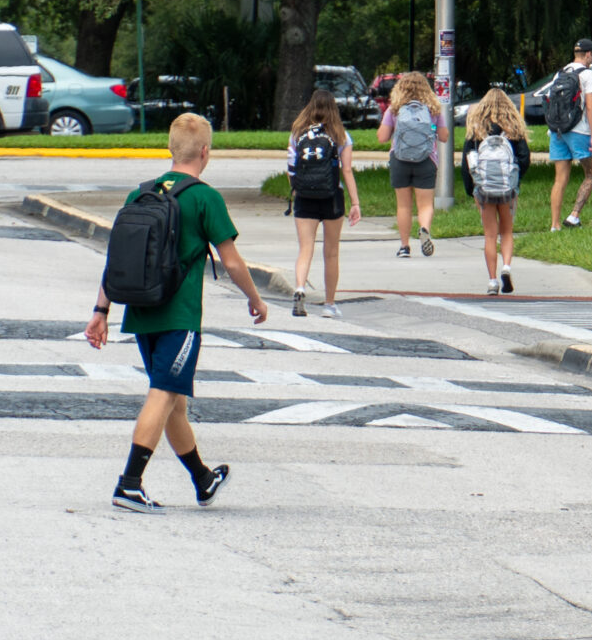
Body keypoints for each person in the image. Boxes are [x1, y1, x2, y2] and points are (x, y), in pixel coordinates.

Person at [86, 113, 267, 512]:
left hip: (141, 312)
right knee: (164, 393)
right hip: (179, 317)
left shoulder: (141, 194)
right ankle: (129, 484)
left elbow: (119, 258)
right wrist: (255, 298)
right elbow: (232, 263)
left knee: (175, 403)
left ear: (170, 149)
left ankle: (203, 479)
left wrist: (101, 310)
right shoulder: (205, 197)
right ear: (206, 152)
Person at [285, 89, 362, 319]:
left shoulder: (297, 133)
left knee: (305, 249)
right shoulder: (340, 135)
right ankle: (329, 304)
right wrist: (355, 203)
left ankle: (300, 288)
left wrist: (297, 189)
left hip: (304, 198)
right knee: (331, 253)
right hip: (331, 198)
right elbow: (346, 171)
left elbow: (291, 168)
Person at [462, 88, 531, 295]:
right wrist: (515, 181)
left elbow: (467, 163)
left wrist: (470, 189)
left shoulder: (476, 129)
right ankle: (507, 267)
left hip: (483, 189)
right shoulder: (514, 128)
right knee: (507, 231)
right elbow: (525, 158)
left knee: (490, 235)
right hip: (507, 188)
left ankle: (492, 281)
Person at [376, 71, 449, 259]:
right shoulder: (433, 109)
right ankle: (424, 228)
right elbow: (444, 137)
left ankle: (404, 247)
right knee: (425, 205)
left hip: (400, 160)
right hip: (426, 160)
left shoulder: (394, 109)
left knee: (403, 206)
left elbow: (382, 138)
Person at [545, 38, 592, 230]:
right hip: (579, 130)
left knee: (560, 179)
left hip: (557, 131)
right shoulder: (588, 74)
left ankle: (554, 225)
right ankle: (574, 216)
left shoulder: (560, 73)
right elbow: (591, 106)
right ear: (587, 54)